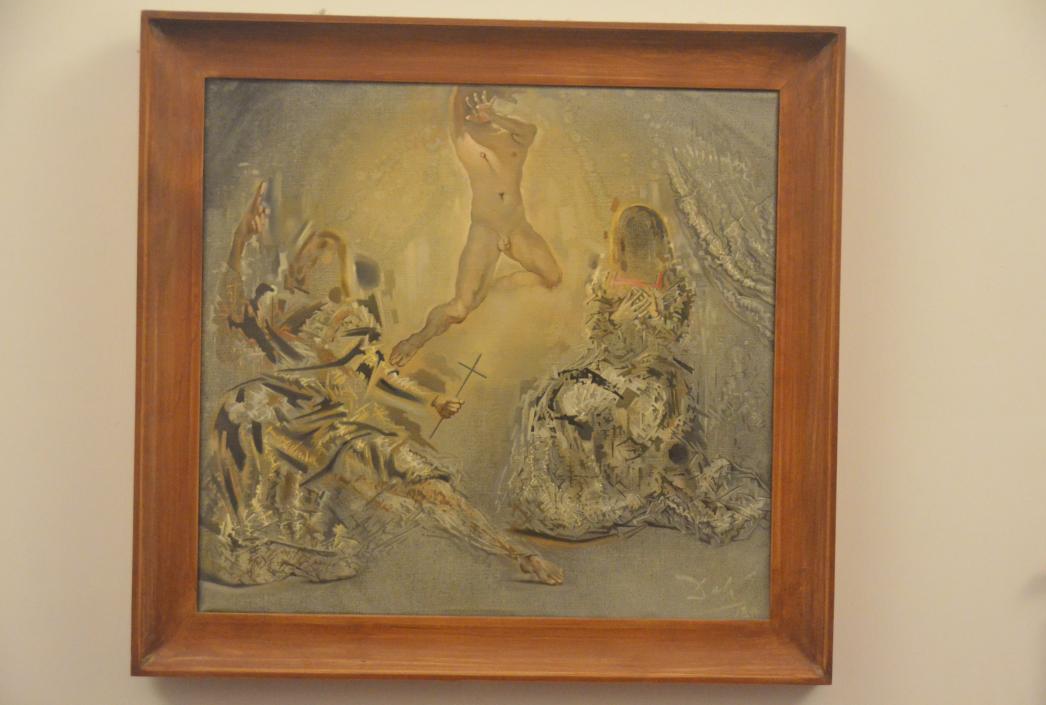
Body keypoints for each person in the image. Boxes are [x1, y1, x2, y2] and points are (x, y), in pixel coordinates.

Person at [200, 181, 564, 587]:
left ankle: (518, 554)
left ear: (337, 273)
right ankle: (259, 534)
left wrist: (432, 400)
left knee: (423, 482)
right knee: (243, 411)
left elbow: (380, 375)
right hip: (279, 430)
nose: (310, 265)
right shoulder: (272, 309)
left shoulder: (346, 320)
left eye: (323, 258)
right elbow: (227, 325)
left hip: (331, 433)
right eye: (308, 256)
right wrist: (239, 241)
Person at [505, 203, 770, 544]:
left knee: (624, 406)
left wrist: (656, 317)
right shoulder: (606, 280)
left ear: (658, 243)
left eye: (646, 242)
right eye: (631, 243)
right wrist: (620, 318)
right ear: (622, 245)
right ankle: (583, 493)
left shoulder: (674, 284)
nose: (639, 250)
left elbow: (676, 340)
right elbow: (596, 334)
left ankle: (629, 491)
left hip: (655, 375)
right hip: (609, 368)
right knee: (562, 396)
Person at [390, 88, 563, 367]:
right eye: (471, 105)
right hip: (485, 229)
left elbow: (530, 132)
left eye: (481, 103)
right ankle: (416, 340)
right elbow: (455, 110)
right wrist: (460, 94)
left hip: (517, 226)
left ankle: (494, 288)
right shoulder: (465, 138)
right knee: (460, 308)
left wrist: (493, 116)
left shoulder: (513, 137)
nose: (475, 110)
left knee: (553, 277)